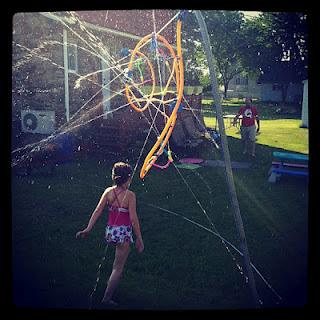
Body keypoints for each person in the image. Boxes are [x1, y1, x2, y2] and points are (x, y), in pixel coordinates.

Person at [76, 162, 144, 305]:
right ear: (129, 178)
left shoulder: (108, 192)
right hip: (123, 234)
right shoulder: (130, 195)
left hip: (110, 232)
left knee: (116, 264)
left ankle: (110, 282)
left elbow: (98, 210)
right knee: (118, 268)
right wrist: (139, 238)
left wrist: (88, 229)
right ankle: (107, 298)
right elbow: (133, 218)